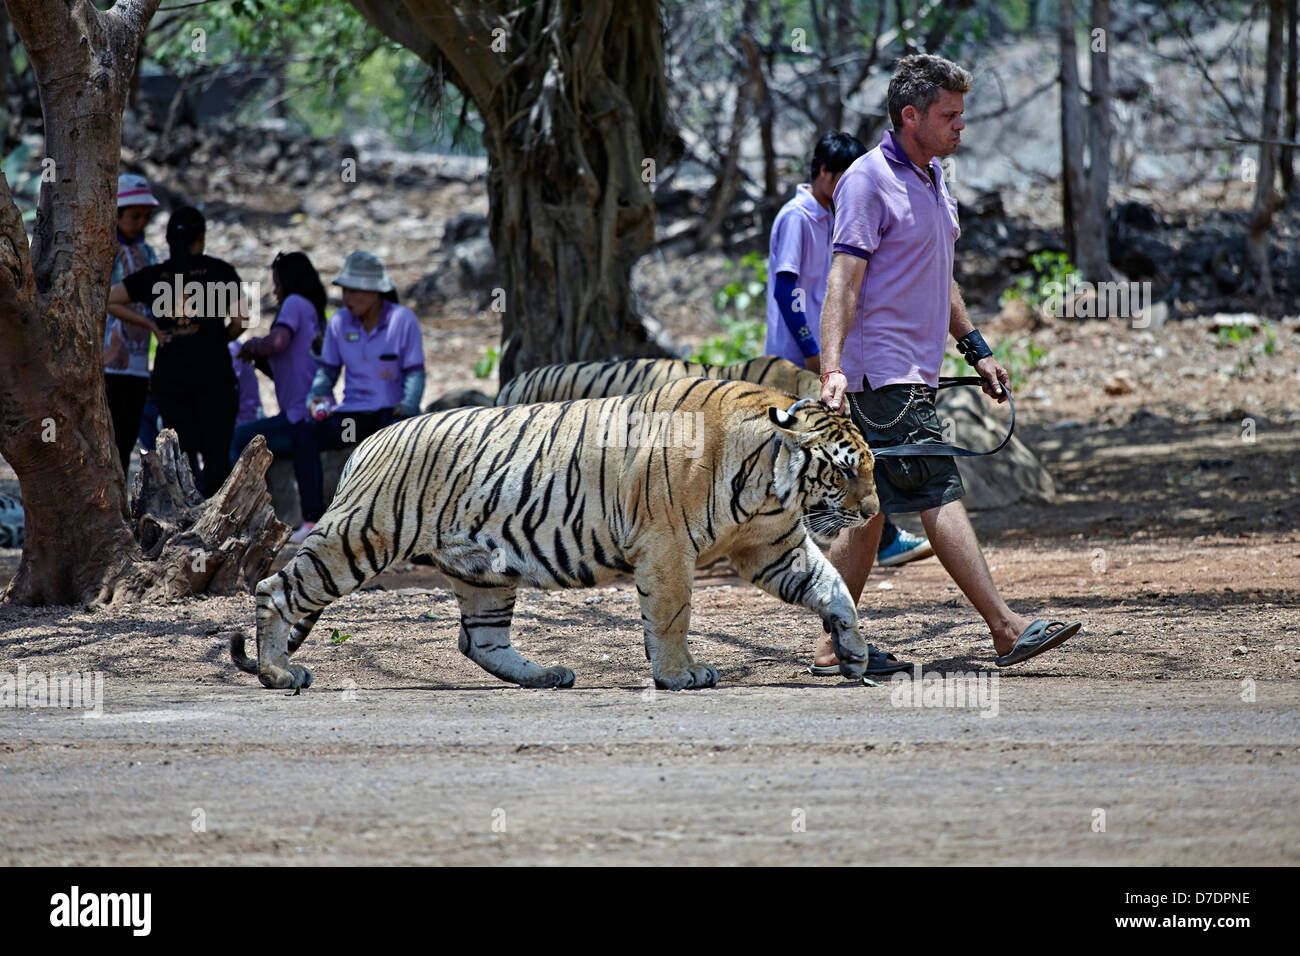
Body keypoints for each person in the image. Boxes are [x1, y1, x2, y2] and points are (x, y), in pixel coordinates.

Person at [813, 54, 1081, 674]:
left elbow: (942, 277)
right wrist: (832, 369)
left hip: (914, 371)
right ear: (911, 116)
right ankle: (1006, 628)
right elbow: (842, 284)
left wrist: (976, 347)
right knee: (936, 487)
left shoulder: (934, 179)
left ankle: (833, 642)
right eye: (949, 115)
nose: (962, 126)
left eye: (962, 114)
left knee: (871, 507)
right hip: (884, 373)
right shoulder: (866, 180)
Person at [764, 132, 933, 582]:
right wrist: (814, 352)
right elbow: (787, 290)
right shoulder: (797, 217)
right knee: (822, 447)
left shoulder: (827, 215)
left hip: (825, 354)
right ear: (823, 173)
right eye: (841, 177)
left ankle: (878, 534)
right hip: (797, 357)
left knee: (843, 446)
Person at [109, 207, 244, 496]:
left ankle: (189, 517)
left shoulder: (156, 275)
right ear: (201, 238)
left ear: (168, 240)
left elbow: (111, 299)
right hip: (214, 374)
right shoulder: (222, 271)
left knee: (182, 454)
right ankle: (216, 519)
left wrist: (151, 325)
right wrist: (218, 338)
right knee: (217, 453)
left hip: (172, 377)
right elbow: (241, 321)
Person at [293, 250, 426, 544]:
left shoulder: (403, 320)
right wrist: (316, 398)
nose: (346, 297)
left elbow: (416, 374)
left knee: (402, 448)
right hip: (353, 414)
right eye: (344, 290)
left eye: (353, 290)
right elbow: (327, 373)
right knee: (305, 436)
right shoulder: (340, 322)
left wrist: (408, 410)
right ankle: (312, 520)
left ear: (374, 291)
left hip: (392, 413)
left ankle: (405, 529)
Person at [229, 252, 328, 513]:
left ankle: (233, 511)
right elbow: (288, 373)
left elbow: (276, 343)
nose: (275, 292)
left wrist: (251, 344)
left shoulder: (294, 303)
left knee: (237, 439)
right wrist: (258, 359)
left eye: (277, 283)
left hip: (298, 416)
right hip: (316, 411)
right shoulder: (315, 314)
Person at [103, 173, 165, 476]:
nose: (140, 222)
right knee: (110, 435)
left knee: (127, 437)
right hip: (108, 360)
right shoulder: (106, 252)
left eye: (145, 217)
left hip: (138, 362)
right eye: (134, 216)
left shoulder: (148, 253)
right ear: (116, 215)